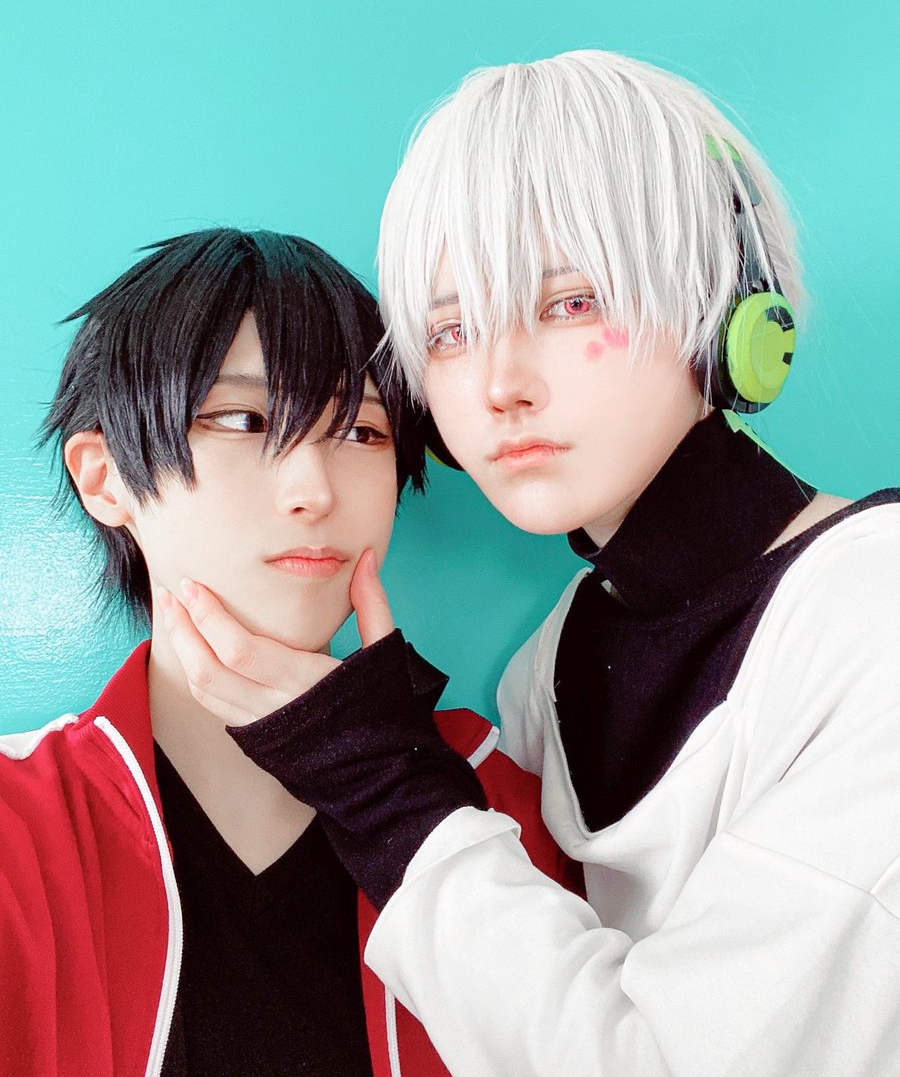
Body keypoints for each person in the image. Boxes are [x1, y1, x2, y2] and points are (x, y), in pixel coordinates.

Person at [160, 56, 900, 1076]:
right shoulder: (546, 673)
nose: (498, 384)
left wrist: (379, 781)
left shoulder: (874, 614)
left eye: (569, 303)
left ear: (733, 309)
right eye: (452, 331)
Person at [0, 227, 564, 1077]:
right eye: (243, 419)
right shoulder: (17, 828)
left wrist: (395, 781)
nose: (313, 491)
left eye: (362, 432)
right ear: (104, 478)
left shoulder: (501, 802)